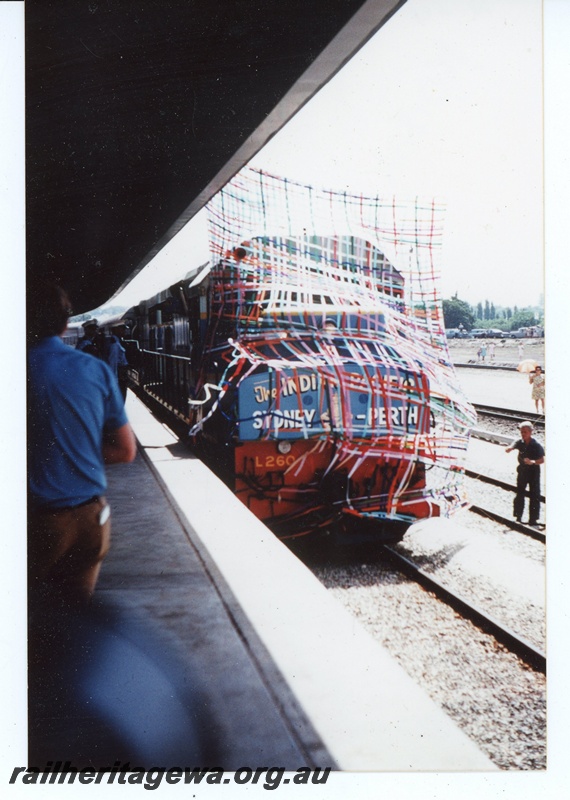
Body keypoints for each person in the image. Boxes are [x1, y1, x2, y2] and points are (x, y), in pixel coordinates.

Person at [28, 285, 137, 609]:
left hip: (38, 522)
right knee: (72, 631)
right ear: (65, 324)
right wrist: (75, 451)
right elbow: (125, 451)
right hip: (91, 521)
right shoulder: (95, 369)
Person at [505, 421, 545, 526]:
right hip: (522, 470)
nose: (523, 434)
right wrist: (510, 448)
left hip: (534, 472)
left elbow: (542, 460)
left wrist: (533, 462)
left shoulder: (536, 445)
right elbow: (514, 444)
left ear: (531, 432)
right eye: (522, 432)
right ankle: (518, 516)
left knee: (535, 494)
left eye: (525, 432)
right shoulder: (520, 442)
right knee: (520, 493)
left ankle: (533, 519)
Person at [105, 322, 129, 399]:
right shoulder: (114, 344)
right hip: (120, 376)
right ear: (116, 330)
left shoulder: (117, 341)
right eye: (122, 329)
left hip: (122, 375)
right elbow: (113, 363)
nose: (124, 331)